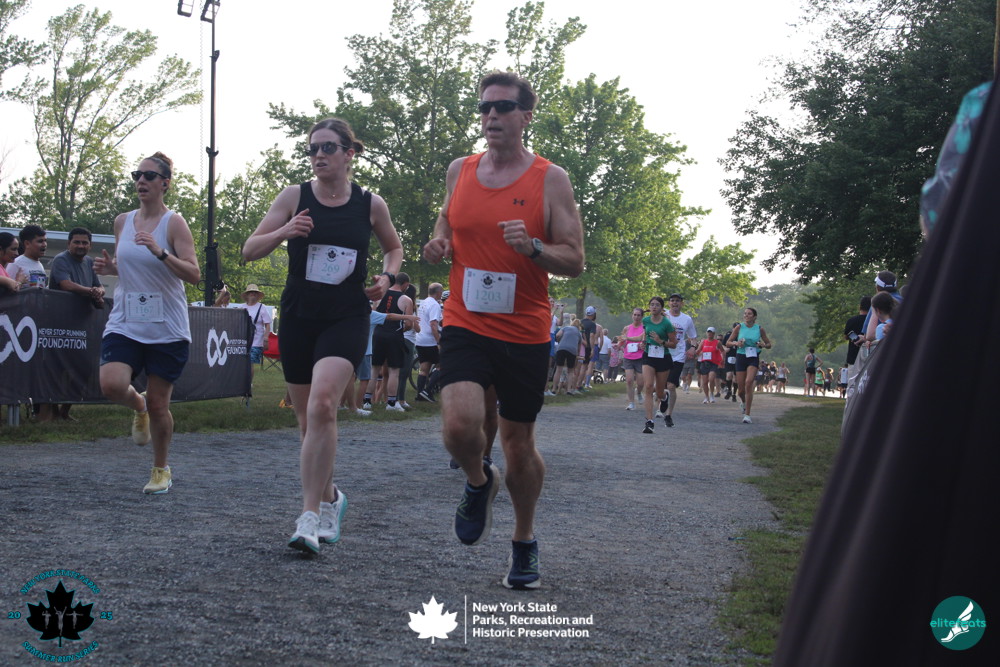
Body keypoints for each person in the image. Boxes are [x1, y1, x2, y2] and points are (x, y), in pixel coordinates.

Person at [422, 70, 585, 589]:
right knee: (458, 426)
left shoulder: (550, 179)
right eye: (485, 107)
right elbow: (446, 220)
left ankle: (524, 540)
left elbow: (574, 258)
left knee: (518, 443)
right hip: (466, 319)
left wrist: (534, 248)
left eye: (503, 107)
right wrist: (440, 241)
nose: (491, 115)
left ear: (525, 116)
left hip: (524, 329)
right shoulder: (460, 170)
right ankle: (478, 481)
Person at [242, 118, 403, 553]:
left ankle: (310, 516)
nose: (318, 155)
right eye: (312, 148)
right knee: (306, 421)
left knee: (323, 405)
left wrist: (387, 278)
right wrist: (284, 231)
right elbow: (249, 250)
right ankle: (332, 497)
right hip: (300, 314)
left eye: (328, 147)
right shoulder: (294, 196)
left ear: (349, 153)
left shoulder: (370, 204)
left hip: (346, 315)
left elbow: (393, 247)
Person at [94, 152, 201, 494]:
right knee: (111, 385)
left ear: (165, 183)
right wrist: (112, 269)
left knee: (159, 404)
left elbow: (194, 274)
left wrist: (160, 252)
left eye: (149, 176)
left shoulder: (174, 223)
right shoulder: (122, 221)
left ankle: (160, 469)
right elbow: (129, 266)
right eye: (137, 175)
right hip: (126, 320)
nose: (141, 181)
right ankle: (136, 405)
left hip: (166, 326)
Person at [370, 272, 414, 411]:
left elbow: (373, 314)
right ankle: (391, 403)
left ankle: (367, 401)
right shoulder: (406, 299)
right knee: (394, 371)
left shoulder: (380, 294)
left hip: (378, 334)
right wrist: (402, 330)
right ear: (405, 284)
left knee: (374, 369)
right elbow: (409, 323)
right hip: (394, 335)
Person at [727, 307, 773, 424]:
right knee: (741, 391)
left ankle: (747, 415)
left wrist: (763, 345)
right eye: (745, 314)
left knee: (749, 383)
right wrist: (737, 343)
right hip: (741, 357)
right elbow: (728, 342)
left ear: (754, 317)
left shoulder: (759, 329)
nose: (746, 315)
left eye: (749, 314)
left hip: (753, 357)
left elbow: (769, 344)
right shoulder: (739, 327)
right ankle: (743, 402)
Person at [640, 296, 678, 433]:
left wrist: (660, 341)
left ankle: (664, 397)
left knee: (660, 391)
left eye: (657, 305)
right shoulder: (645, 320)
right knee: (649, 386)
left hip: (663, 357)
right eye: (652, 304)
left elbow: (673, 344)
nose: (654, 307)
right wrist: (643, 343)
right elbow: (645, 335)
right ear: (649, 307)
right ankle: (649, 422)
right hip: (649, 355)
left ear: (662, 308)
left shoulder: (667, 323)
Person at [661, 293, 697, 427]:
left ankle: (668, 415)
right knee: (659, 386)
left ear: (682, 303)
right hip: (663, 352)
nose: (674, 303)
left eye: (677, 301)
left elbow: (693, 337)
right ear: (669, 303)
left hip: (678, 355)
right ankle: (663, 398)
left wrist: (693, 347)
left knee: (671, 386)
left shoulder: (687, 319)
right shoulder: (663, 314)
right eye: (672, 301)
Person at [415, 282, 444, 402]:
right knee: (442, 365)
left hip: (420, 339)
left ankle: (419, 395)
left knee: (424, 369)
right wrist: (439, 342)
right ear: (438, 292)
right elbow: (433, 325)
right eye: (441, 292)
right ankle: (427, 391)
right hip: (430, 340)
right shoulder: (435, 305)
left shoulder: (423, 302)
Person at [236, 284, 272, 374]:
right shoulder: (241, 307)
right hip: (243, 339)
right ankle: (243, 380)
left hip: (256, 341)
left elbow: (267, 324)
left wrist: (266, 338)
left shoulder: (262, 307)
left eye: (255, 292)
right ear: (247, 295)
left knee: (249, 363)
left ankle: (248, 381)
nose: (253, 294)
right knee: (242, 363)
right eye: (251, 292)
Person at [620, 307, 646, 410]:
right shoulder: (627, 328)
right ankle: (631, 403)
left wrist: (642, 345)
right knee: (629, 380)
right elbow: (622, 340)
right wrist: (618, 345)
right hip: (628, 357)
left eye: (638, 315)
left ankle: (638, 392)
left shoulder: (644, 328)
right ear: (632, 315)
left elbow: (645, 341)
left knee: (640, 383)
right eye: (634, 315)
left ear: (642, 317)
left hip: (640, 357)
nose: (636, 317)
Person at [694, 326, 723, 404]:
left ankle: (712, 394)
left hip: (713, 363)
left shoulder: (717, 342)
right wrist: (695, 352)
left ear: (714, 333)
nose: (709, 334)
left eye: (711, 332)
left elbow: (723, 351)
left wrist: (722, 359)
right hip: (704, 363)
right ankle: (706, 397)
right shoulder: (703, 342)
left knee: (711, 378)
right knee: (704, 382)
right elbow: (698, 350)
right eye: (708, 332)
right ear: (706, 333)